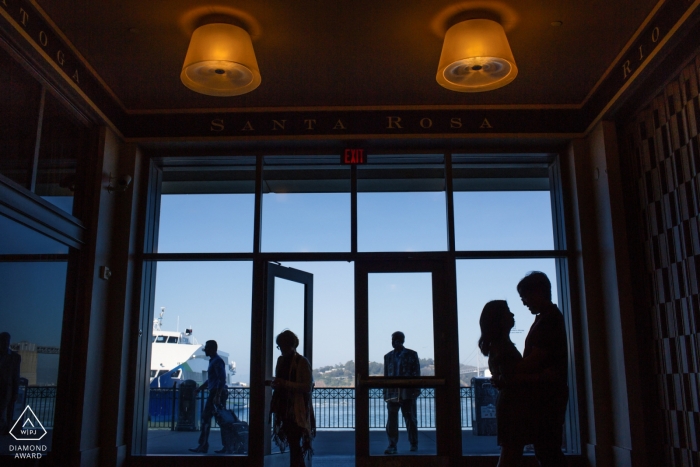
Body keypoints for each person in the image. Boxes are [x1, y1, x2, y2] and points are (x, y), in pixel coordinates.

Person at [517, 271, 568, 467]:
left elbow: (536, 358)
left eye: (525, 297)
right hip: (548, 393)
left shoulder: (547, 320)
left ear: (539, 292)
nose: (524, 302)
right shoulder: (548, 318)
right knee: (548, 449)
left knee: (547, 450)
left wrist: (510, 373)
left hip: (546, 395)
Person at [479, 301, 533, 467]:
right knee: (511, 453)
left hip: (509, 404)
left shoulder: (497, 346)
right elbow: (512, 377)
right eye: (508, 312)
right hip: (513, 405)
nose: (512, 315)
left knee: (511, 452)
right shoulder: (504, 347)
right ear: (499, 320)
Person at [269, 330, 315, 467]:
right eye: (279, 346)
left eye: (282, 346)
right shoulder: (281, 360)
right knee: (294, 444)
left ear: (291, 345)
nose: (281, 350)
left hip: (296, 409)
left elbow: (307, 387)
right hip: (284, 407)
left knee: (294, 443)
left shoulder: (301, 362)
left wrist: (284, 384)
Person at [383, 331, 420, 455]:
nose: (395, 342)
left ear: (402, 340)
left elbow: (416, 374)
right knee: (392, 420)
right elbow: (386, 376)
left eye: (397, 339)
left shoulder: (412, 355)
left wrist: (416, 389)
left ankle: (413, 443)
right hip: (392, 393)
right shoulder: (387, 357)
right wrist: (385, 392)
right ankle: (392, 444)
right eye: (393, 339)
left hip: (408, 392)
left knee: (410, 418)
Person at [189, 340, 228, 454]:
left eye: (206, 348)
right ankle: (224, 446)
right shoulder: (213, 361)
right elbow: (212, 380)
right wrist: (199, 388)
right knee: (220, 421)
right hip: (216, 392)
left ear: (212, 349)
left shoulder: (217, 361)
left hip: (216, 393)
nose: (205, 350)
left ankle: (204, 445)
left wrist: (217, 395)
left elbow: (222, 379)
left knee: (207, 419)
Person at [0, 332, 21, 435]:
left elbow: (16, 376)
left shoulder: (15, 357)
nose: (5, 343)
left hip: (7, 391)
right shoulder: (14, 357)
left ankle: (5, 428)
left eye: (6, 341)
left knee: (6, 412)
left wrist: (15, 392)